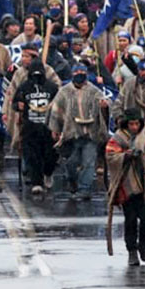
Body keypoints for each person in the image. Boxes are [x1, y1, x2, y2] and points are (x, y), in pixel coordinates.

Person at [105, 110, 145, 266]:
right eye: (131, 124)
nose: (134, 127)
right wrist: (126, 155)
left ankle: (143, 246)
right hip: (127, 184)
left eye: (137, 124)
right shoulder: (118, 137)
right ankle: (132, 251)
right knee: (130, 219)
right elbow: (110, 155)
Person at [48, 63, 109, 199]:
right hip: (71, 134)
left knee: (88, 163)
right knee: (71, 163)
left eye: (82, 71)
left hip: (90, 133)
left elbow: (105, 103)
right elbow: (56, 110)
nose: (79, 74)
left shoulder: (94, 91)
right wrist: (55, 129)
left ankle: (84, 189)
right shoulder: (64, 91)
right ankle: (72, 182)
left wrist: (104, 106)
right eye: (77, 72)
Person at [12, 59, 59, 196]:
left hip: (48, 128)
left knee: (51, 155)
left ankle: (48, 173)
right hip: (30, 128)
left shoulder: (51, 87)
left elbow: (59, 105)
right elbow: (14, 102)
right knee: (33, 157)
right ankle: (36, 182)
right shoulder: (24, 87)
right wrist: (17, 105)